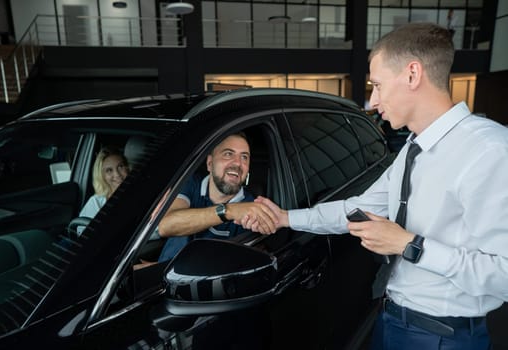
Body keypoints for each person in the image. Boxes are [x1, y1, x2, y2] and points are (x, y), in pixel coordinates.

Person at [241, 22, 508, 350]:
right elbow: (358, 209)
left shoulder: (489, 150)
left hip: (441, 337)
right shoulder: (413, 148)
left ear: (412, 74)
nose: (372, 101)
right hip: (394, 318)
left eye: (377, 85)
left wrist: (409, 245)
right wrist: (285, 218)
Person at [155, 132, 276, 262]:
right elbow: (165, 226)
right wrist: (229, 210)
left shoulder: (251, 206)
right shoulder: (190, 183)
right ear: (209, 163)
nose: (238, 163)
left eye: (244, 157)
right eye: (228, 154)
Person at [78, 146, 129, 233]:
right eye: (109, 170)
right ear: (102, 176)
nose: (117, 174)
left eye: (120, 166)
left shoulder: (142, 195)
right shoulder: (96, 201)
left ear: (128, 167)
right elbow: (82, 232)